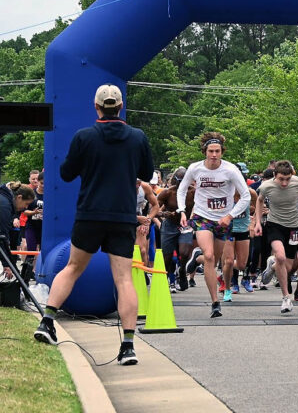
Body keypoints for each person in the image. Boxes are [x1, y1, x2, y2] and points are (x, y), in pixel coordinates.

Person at [34, 84, 154, 366]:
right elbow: (147, 172)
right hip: (122, 216)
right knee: (124, 279)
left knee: (73, 268)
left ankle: (47, 321)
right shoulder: (137, 137)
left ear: (97, 107)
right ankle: (127, 346)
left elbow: (66, 174)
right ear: (121, 106)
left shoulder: (84, 136)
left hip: (89, 214)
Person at [177, 132, 251, 318]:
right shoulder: (195, 168)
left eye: (217, 151)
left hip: (223, 220)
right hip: (202, 217)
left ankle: (197, 259)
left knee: (216, 260)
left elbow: (246, 196)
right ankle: (215, 302)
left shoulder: (230, 170)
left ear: (222, 152)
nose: (214, 155)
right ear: (205, 151)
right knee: (209, 256)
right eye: (211, 151)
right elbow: (182, 189)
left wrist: (230, 215)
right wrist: (182, 211)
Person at [255, 160, 298, 313]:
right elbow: (259, 201)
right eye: (281, 179)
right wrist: (258, 223)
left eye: (287, 179)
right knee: (280, 256)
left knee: (286, 266)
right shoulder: (266, 186)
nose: (285, 183)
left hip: (293, 226)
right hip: (275, 225)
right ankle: (286, 298)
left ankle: (272, 267)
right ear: (275, 176)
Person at [157, 167, 195, 292]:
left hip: (185, 225)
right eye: (179, 181)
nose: (181, 184)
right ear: (175, 180)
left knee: (184, 253)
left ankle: (182, 269)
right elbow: (154, 209)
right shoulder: (167, 193)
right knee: (167, 257)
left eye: (185, 181)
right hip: (169, 225)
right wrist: (164, 214)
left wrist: (193, 219)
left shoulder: (193, 192)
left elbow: (200, 206)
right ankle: (165, 281)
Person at [1, 183, 35, 303]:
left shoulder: (5, 200)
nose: (25, 208)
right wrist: (6, 264)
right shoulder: (4, 206)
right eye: (26, 204)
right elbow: (2, 237)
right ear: (19, 197)